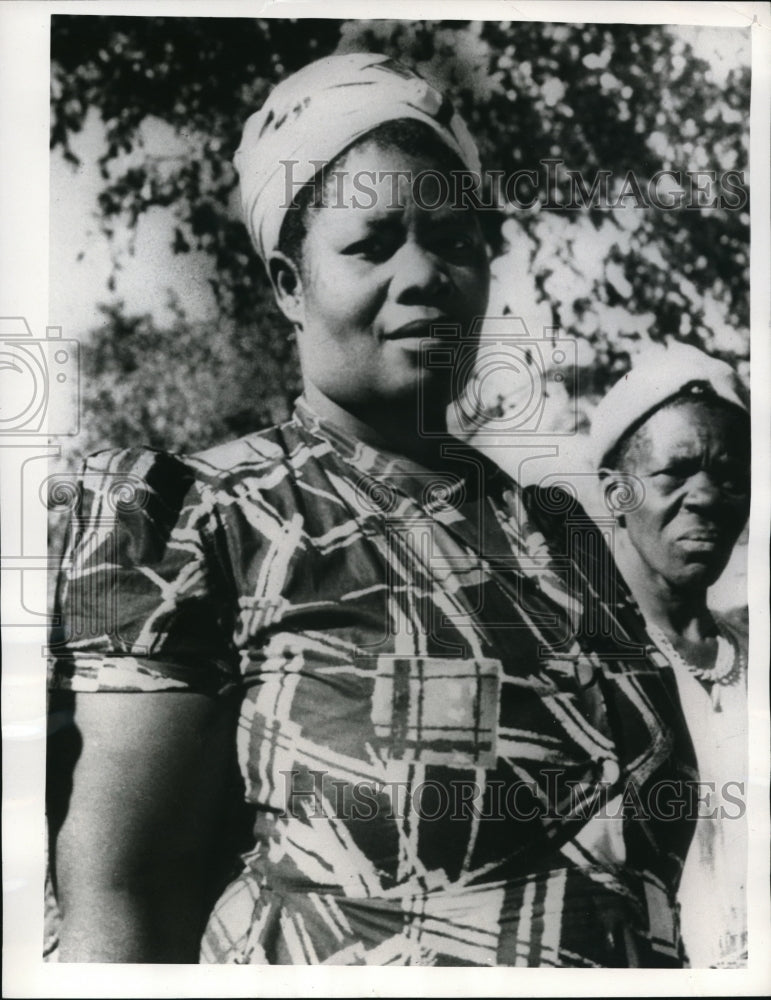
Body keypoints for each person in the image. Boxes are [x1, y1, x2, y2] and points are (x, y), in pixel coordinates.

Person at [48, 53, 699, 967]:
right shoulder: (207, 522)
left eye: (454, 239)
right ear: (289, 282)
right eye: (372, 243)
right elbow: (124, 901)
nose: (424, 272)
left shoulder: (559, 535)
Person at [591, 342, 751, 968]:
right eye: (673, 474)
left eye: (731, 478)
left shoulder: (752, 655)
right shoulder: (577, 667)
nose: (707, 497)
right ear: (617, 494)